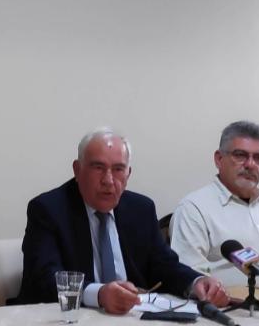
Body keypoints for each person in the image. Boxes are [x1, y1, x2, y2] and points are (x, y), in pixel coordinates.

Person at [18, 127, 228, 314]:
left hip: (132, 321)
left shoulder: (141, 209)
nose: (108, 180)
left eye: (118, 169)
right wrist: (99, 294)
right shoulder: (48, 209)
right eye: (98, 167)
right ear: (77, 170)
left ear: (128, 174)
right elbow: (45, 279)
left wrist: (196, 282)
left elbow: (165, 266)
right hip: (68, 322)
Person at [171, 120, 259, 287]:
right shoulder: (193, 208)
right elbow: (191, 278)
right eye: (240, 155)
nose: (250, 164)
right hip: (236, 303)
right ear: (219, 159)